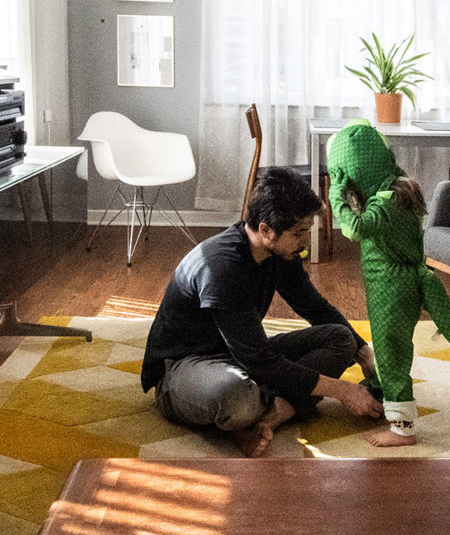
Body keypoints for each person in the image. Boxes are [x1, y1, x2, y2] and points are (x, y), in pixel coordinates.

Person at [141, 166, 383, 456]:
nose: (305, 242)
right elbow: (259, 361)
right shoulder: (222, 267)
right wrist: (341, 390)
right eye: (299, 233)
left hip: (242, 355)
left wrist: (363, 353)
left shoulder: (280, 251)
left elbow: (314, 306)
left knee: (340, 338)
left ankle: (273, 415)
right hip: (184, 368)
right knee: (236, 397)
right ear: (266, 229)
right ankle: (265, 409)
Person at [328, 120, 450, 447]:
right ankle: (381, 392)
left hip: (394, 290)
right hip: (390, 288)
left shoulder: (384, 205)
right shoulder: (394, 189)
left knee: (391, 352)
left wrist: (336, 192)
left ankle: (403, 428)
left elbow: (354, 229)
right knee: (388, 345)